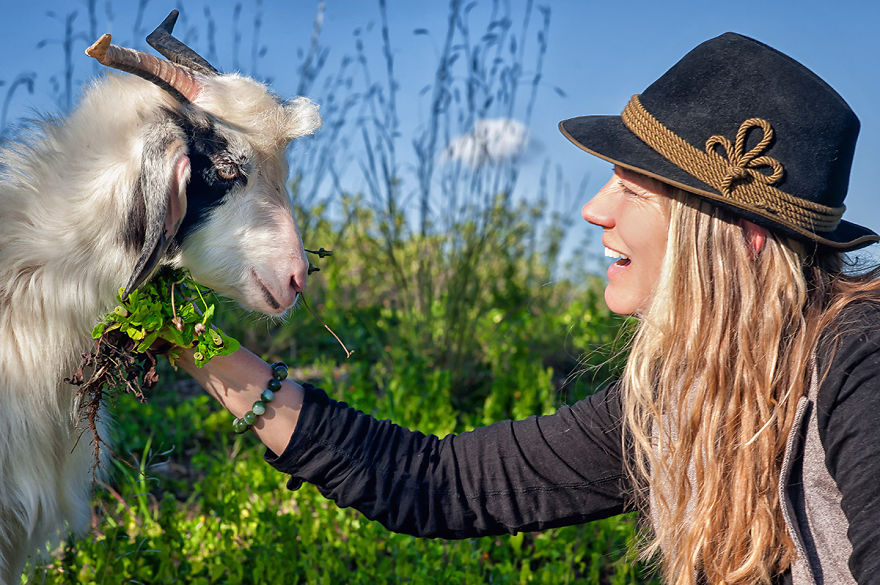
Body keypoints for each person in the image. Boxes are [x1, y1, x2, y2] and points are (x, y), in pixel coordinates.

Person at [177, 33, 880, 585]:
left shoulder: (859, 363)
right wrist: (192, 343)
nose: (593, 209)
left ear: (740, 237)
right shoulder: (680, 397)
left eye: (634, 191)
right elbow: (438, 483)